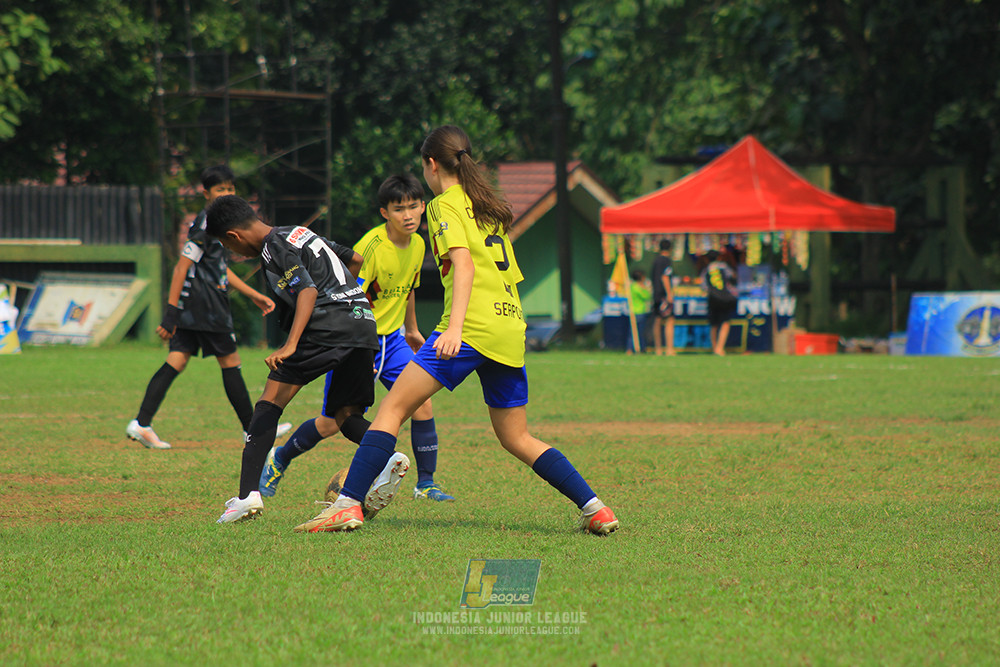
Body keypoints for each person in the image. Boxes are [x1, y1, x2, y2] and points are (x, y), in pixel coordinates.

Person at [294, 125, 619, 535]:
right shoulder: (486, 206)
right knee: (516, 436)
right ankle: (595, 508)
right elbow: (507, 277)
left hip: (468, 329)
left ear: (432, 165)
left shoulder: (444, 205)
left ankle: (347, 505)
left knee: (392, 410)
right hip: (507, 327)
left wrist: (455, 329)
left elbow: (463, 265)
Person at [204, 195, 403, 524]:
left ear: (232, 237)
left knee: (269, 403)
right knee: (345, 415)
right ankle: (387, 456)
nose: (235, 254)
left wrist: (291, 344)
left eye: (230, 248)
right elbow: (354, 260)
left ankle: (246, 497)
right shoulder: (298, 232)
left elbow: (307, 291)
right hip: (363, 322)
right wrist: (343, 296)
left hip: (327, 327)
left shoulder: (273, 247)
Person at [258, 174, 455, 502]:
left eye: (414, 207)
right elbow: (347, 295)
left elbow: (409, 289)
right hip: (358, 340)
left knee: (422, 404)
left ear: (424, 206)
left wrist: (412, 329)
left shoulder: (420, 243)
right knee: (332, 423)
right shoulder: (372, 248)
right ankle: (279, 457)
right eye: (399, 209)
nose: (408, 215)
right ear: (384, 213)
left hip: (392, 341)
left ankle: (426, 484)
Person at [125, 165, 290, 450]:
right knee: (231, 362)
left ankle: (141, 423)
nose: (226, 194)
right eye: (219, 190)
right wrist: (170, 313)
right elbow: (182, 267)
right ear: (205, 193)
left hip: (197, 306)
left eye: (230, 188)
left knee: (176, 360)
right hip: (206, 308)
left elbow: (219, 268)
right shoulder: (205, 225)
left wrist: (253, 294)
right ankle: (252, 430)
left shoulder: (216, 223)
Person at [700, 249, 738, 356]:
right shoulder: (724, 267)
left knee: (714, 324)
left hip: (712, 299)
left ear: (707, 259)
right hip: (725, 298)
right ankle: (720, 348)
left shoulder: (706, 270)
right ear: (719, 258)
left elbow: (703, 287)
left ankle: (714, 347)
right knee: (725, 323)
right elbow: (732, 278)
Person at [650, 239, 676, 356]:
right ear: (670, 249)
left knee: (657, 320)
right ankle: (669, 349)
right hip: (663, 295)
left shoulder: (655, 261)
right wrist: (669, 294)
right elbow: (665, 277)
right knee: (670, 320)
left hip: (656, 294)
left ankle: (658, 348)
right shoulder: (666, 261)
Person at [626, 269, 651, 355]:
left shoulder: (631, 286)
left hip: (633, 311)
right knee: (639, 332)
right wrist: (646, 288)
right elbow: (647, 296)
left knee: (632, 332)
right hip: (639, 311)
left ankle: (630, 349)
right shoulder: (638, 287)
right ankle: (640, 348)